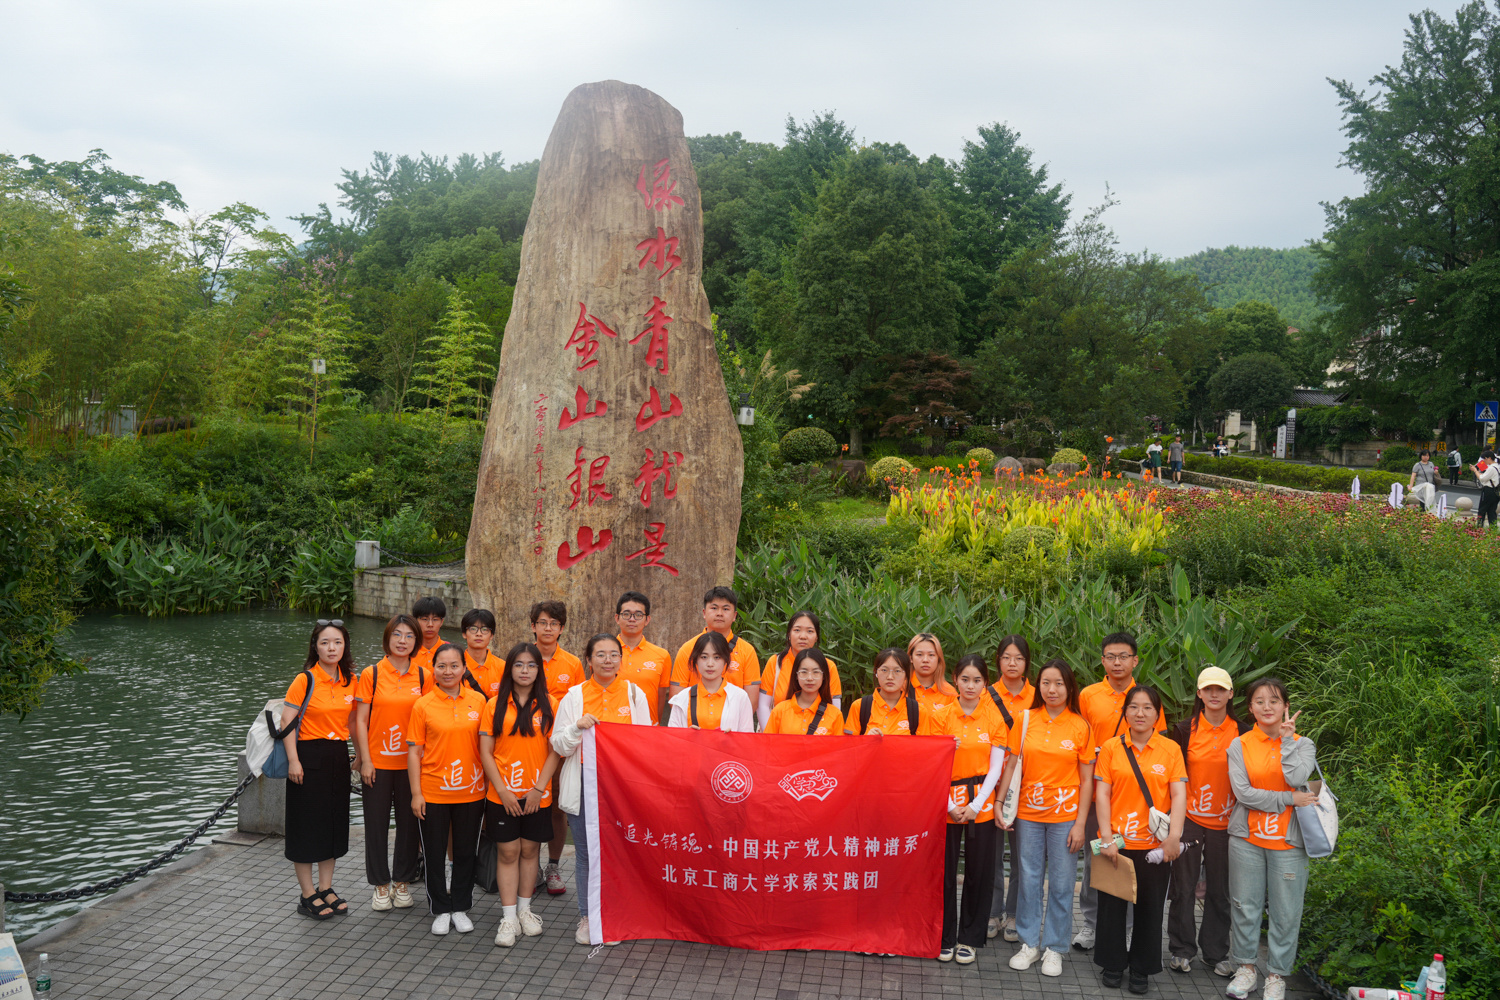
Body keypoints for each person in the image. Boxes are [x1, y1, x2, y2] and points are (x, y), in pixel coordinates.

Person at [551, 633, 654, 945]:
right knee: (585, 852)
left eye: (613, 655)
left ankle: (615, 914)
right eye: (600, 654)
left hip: (621, 786)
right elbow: (558, 744)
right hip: (584, 782)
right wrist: (576, 727)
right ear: (588, 659)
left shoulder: (635, 695)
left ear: (621, 660)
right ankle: (588, 917)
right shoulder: (574, 697)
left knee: (620, 850)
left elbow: (646, 743)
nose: (608, 661)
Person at [995, 659, 1094, 979]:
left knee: (1063, 884)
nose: (1052, 689)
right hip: (1028, 815)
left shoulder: (1080, 726)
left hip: (1065, 817)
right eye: (1046, 683)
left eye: (1059, 683)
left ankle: (1055, 947)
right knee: (1029, 879)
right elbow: (1011, 765)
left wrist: (1081, 823)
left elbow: (1087, 780)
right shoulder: (1026, 719)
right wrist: (999, 802)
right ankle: (1029, 943)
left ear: (1070, 688)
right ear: (1039, 686)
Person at [1223, 678, 1319, 1000]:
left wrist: (1287, 741)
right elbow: (1244, 794)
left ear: (1286, 707)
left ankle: (1277, 975)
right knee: (1244, 906)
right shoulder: (1239, 745)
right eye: (1260, 701)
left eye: (1274, 701)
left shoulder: (1304, 745)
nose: (1267, 707)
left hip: (1289, 843)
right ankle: (1246, 968)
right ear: (1250, 708)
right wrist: (1290, 799)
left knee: (1286, 912)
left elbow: (1296, 777)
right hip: (1246, 840)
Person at [1073, 632, 1166, 950]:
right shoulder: (1088, 695)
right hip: (1096, 793)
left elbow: (1158, 745)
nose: (1117, 662)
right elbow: (1079, 738)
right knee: (1096, 858)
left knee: (1132, 862)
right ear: (1102, 660)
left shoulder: (1146, 697)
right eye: (1111, 656)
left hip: (1134, 796)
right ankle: (1090, 924)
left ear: (1135, 660)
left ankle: (1127, 927)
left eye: (1124, 656)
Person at [1092, 685, 1187, 994]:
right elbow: (1102, 794)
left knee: (1150, 909)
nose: (1140, 713)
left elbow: (1179, 795)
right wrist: (1106, 837)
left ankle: (1141, 968)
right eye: (1133, 707)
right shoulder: (1111, 748)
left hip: (1153, 847)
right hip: (1118, 843)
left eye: (1148, 708)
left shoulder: (1170, 749)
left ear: (1158, 715)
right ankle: (1112, 962)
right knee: (1111, 908)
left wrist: (1174, 837)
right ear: (1125, 713)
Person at [1167, 667, 1251, 977]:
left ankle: (1215, 953)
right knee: (1183, 886)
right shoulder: (1184, 730)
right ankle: (1181, 949)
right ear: (1199, 694)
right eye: (1208, 689)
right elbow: (1173, 776)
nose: (1214, 694)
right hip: (1189, 818)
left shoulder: (1244, 732)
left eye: (1220, 689)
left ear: (1231, 694)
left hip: (1228, 822)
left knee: (1220, 890)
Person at [479, 642, 561, 947]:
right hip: (502, 795)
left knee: (530, 851)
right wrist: (502, 791)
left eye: (531, 665)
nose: (524, 671)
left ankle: (526, 911)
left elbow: (555, 751)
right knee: (508, 852)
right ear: (509, 669)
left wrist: (538, 789)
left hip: (537, 795)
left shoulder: (550, 704)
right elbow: (486, 752)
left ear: (539, 670)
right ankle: (508, 916)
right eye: (518, 664)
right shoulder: (494, 705)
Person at [406, 642, 488, 935]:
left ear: (464, 668)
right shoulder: (423, 705)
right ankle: (440, 908)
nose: (448, 671)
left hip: (471, 790)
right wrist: (416, 793)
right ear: (434, 670)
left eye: (454, 665)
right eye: (442, 666)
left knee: (466, 852)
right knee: (434, 852)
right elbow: (414, 752)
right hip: (433, 791)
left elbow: (488, 748)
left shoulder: (479, 701)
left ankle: (461, 906)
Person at [352, 614, 432, 912]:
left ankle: (402, 881)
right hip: (378, 763)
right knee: (376, 825)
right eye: (397, 634)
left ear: (416, 641)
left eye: (409, 636)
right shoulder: (372, 674)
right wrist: (365, 760)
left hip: (412, 765)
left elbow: (429, 719)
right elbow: (361, 721)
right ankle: (380, 885)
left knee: (410, 825)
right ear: (387, 639)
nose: (402, 641)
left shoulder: (424, 676)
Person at [281, 619, 359, 920]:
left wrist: (360, 755)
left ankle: (325, 887)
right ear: (315, 647)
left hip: (338, 756)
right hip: (308, 756)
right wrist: (293, 760)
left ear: (344, 646)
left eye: (337, 642)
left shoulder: (351, 680)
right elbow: (287, 722)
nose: (331, 648)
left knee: (332, 824)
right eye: (325, 642)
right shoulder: (305, 680)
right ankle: (307, 893)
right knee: (305, 826)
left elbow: (353, 722)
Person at [938, 654, 1008, 965]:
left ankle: (969, 938)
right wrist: (951, 805)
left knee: (979, 872)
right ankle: (944, 936)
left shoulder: (994, 719)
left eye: (977, 680)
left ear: (985, 683)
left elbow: (996, 768)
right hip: (946, 802)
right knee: (944, 872)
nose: (970, 685)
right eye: (964, 679)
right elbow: (933, 763)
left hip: (981, 805)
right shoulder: (941, 716)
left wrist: (976, 805)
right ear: (955, 679)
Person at [532, 600, 581, 896]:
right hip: (528, 746)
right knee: (530, 805)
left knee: (557, 809)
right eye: (542, 623)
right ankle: (531, 865)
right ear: (533, 626)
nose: (548, 628)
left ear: (561, 628)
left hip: (560, 749)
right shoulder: (524, 658)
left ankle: (552, 866)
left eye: (554, 624)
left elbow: (580, 705)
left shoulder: (572, 664)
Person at [987, 635, 1035, 942]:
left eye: (1018, 658)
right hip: (991, 784)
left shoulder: (1038, 696)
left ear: (1027, 662)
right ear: (998, 661)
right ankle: (993, 911)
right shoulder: (985, 694)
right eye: (1006, 657)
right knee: (992, 854)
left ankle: (1015, 913)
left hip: (1026, 785)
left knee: (1022, 856)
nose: (1012, 663)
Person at [671, 586, 761, 704]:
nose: (719, 613)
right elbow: (677, 699)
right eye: (714, 608)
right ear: (704, 613)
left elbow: (751, 702)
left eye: (725, 609)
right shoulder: (688, 649)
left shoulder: (747, 651)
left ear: (734, 616)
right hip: (694, 715)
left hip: (734, 715)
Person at [757, 611, 844, 727]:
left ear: (817, 637)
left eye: (810, 631)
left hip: (819, 733)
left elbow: (835, 708)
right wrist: (771, 735)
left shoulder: (828, 667)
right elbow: (762, 705)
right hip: (780, 732)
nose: (803, 636)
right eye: (797, 630)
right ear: (789, 634)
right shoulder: (776, 663)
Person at [667, 631, 755, 731]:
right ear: (696, 660)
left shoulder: (740, 697)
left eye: (717, 657)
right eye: (704, 657)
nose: (710, 664)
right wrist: (688, 736)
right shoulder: (682, 699)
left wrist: (732, 738)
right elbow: (673, 737)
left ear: (726, 660)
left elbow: (747, 737)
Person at [845, 648, 938, 736]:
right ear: (876, 672)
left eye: (897, 671)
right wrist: (866, 739)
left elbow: (923, 746)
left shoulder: (918, 711)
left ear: (906, 675)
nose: (890, 677)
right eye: (884, 670)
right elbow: (848, 745)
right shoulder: (860, 707)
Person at [614, 591, 672, 725]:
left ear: (647, 620)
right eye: (626, 614)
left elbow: (660, 698)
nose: (632, 619)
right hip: (612, 726)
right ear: (617, 618)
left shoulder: (661, 655)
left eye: (638, 615)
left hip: (647, 728)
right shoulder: (604, 653)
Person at [762, 647, 844, 735]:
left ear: (823, 676)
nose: (810, 678)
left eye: (816, 672)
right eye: (804, 672)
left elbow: (840, 744)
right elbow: (767, 742)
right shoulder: (779, 711)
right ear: (796, 675)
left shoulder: (835, 715)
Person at [908, 632, 958, 715]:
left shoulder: (949, 693)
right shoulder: (900, 688)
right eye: (919, 654)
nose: (925, 660)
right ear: (911, 658)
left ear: (938, 658)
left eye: (931, 655)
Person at [461, 608, 501, 697]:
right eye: (473, 629)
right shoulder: (455, 666)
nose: (479, 634)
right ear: (464, 634)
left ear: (491, 635)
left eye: (485, 629)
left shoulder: (503, 667)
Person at [410, 596, 447, 671]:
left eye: (435, 619)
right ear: (415, 621)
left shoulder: (449, 650)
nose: (430, 624)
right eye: (425, 619)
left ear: (441, 622)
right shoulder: (408, 650)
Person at [1475, 449, 1499, 528]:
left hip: (1488, 490)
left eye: (1484, 459)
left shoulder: (1492, 468)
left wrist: (1475, 471)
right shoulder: (1498, 466)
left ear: (1489, 458)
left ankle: (1479, 527)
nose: (1483, 461)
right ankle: (1493, 528)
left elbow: (1482, 478)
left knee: (1482, 510)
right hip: (1496, 491)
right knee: (1492, 511)